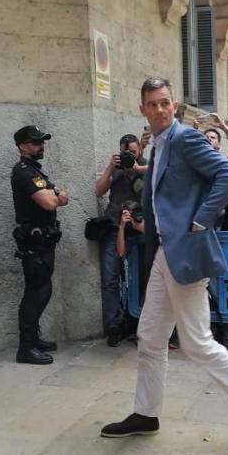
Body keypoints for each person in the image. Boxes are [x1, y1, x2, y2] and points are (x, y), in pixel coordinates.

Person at [100, 77, 228, 446]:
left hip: (185, 250)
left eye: (165, 102)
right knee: (150, 337)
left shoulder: (184, 138)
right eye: (153, 104)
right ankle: (146, 413)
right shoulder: (160, 144)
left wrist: (200, 220)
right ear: (142, 109)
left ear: (175, 106)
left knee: (196, 342)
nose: (160, 109)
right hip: (165, 252)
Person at [10, 125, 69, 365]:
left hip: (45, 240)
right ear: (23, 147)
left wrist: (56, 195)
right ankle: (26, 347)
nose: (41, 145)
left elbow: (63, 197)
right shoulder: (24, 172)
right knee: (36, 292)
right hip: (35, 242)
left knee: (42, 290)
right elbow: (50, 202)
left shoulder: (36, 171)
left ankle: (33, 339)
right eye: (36, 142)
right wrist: (56, 194)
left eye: (42, 141)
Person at [94, 134, 148, 346]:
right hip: (114, 227)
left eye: (133, 152)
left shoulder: (145, 167)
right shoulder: (115, 168)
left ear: (140, 151)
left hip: (139, 230)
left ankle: (138, 323)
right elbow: (99, 190)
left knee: (141, 279)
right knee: (110, 279)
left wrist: (136, 170)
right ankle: (114, 326)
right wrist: (110, 167)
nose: (129, 156)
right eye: (125, 152)